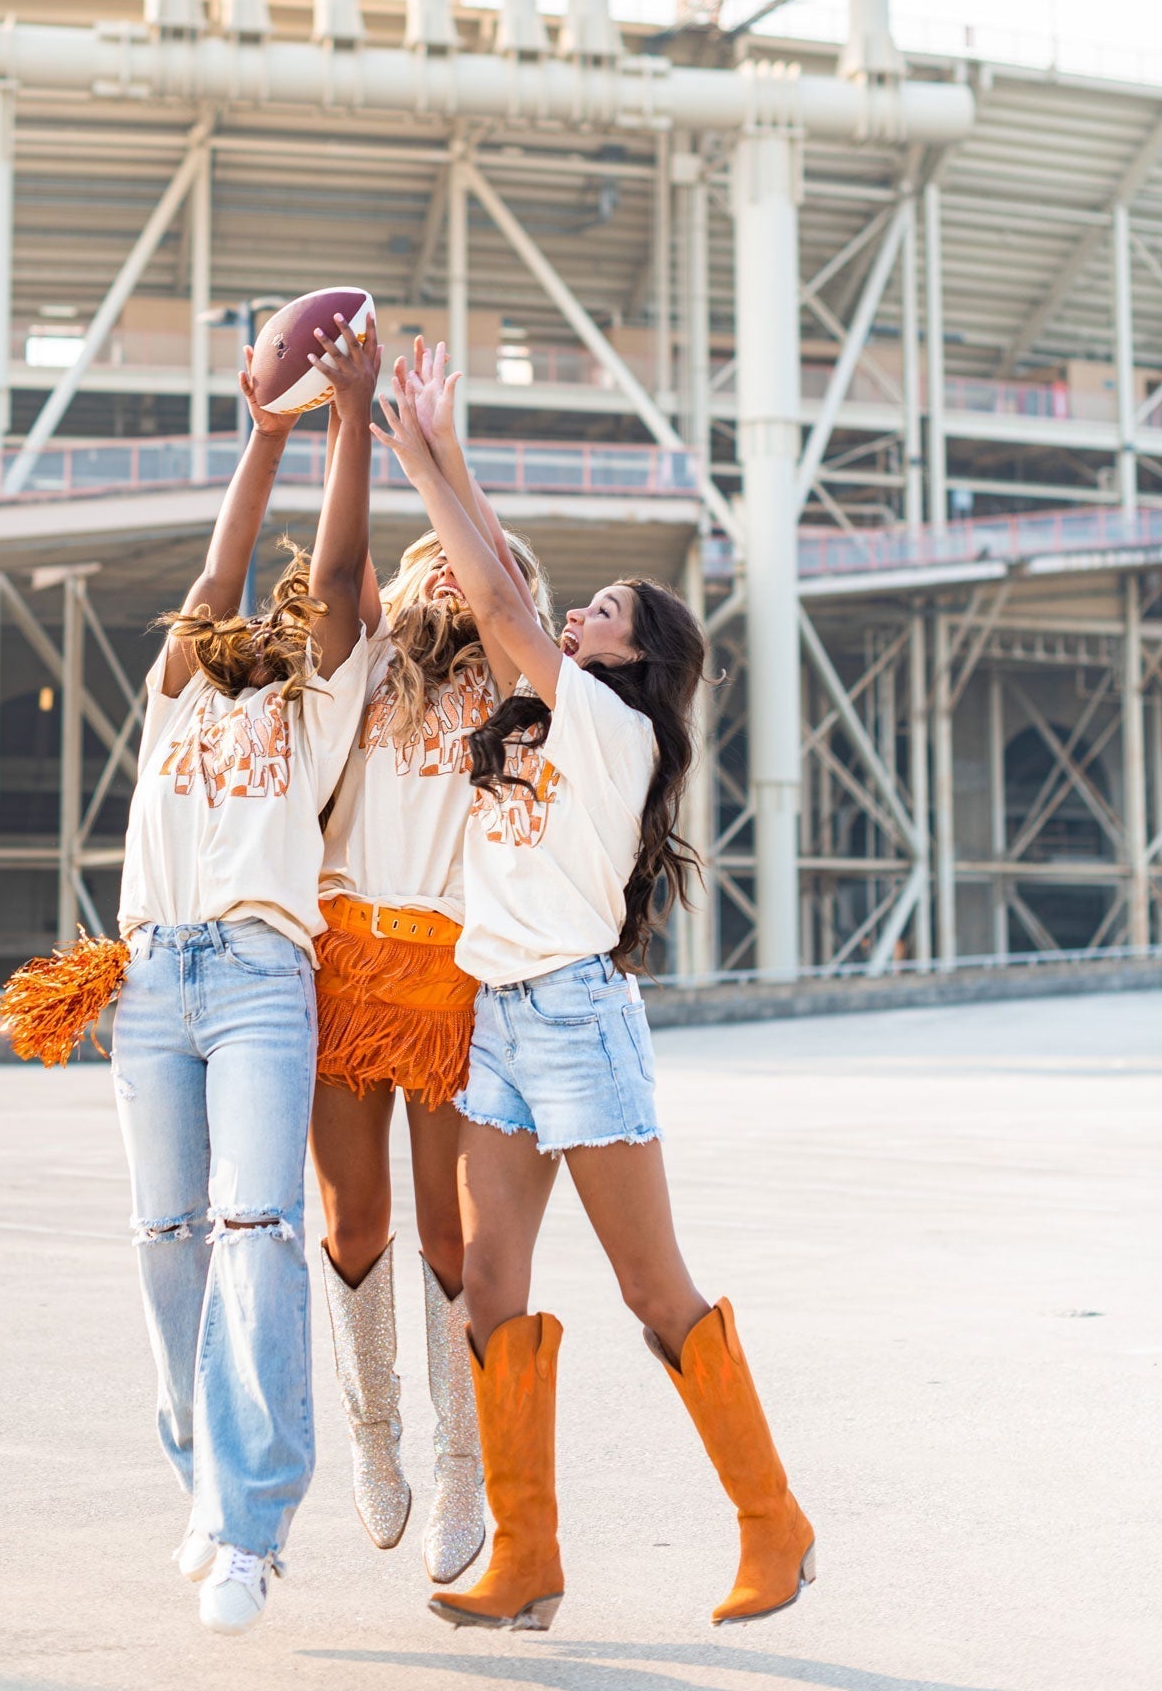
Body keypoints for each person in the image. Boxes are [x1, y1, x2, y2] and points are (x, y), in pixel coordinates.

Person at [374, 366, 815, 1635]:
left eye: (605, 609)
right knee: (491, 1286)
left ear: (639, 657)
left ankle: (773, 1523)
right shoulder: (543, 720)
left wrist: (431, 456)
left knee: (652, 1288)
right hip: (498, 1021)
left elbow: (500, 594)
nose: (578, 612)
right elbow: (507, 592)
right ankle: (527, 1554)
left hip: (575, 1020)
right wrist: (446, 461)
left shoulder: (612, 733)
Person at [110, 315, 380, 1637]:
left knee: (257, 1233)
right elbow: (222, 569)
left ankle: (250, 1525)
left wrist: (344, 425)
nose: (281, 619)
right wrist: (262, 433)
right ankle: (197, 1452)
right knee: (167, 1243)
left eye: (305, 622)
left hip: (268, 974)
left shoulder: (317, 707)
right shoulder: (180, 687)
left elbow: (335, 573)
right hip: (153, 975)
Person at [310, 341, 550, 1588]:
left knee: (458, 1242)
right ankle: (373, 1428)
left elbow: (504, 582)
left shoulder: (514, 694)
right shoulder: (360, 674)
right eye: (428, 571)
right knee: (353, 1218)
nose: (438, 582)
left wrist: (444, 459)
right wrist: (358, 426)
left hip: (461, 979)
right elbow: (345, 572)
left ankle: (462, 1458)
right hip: (348, 964)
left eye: (450, 564)